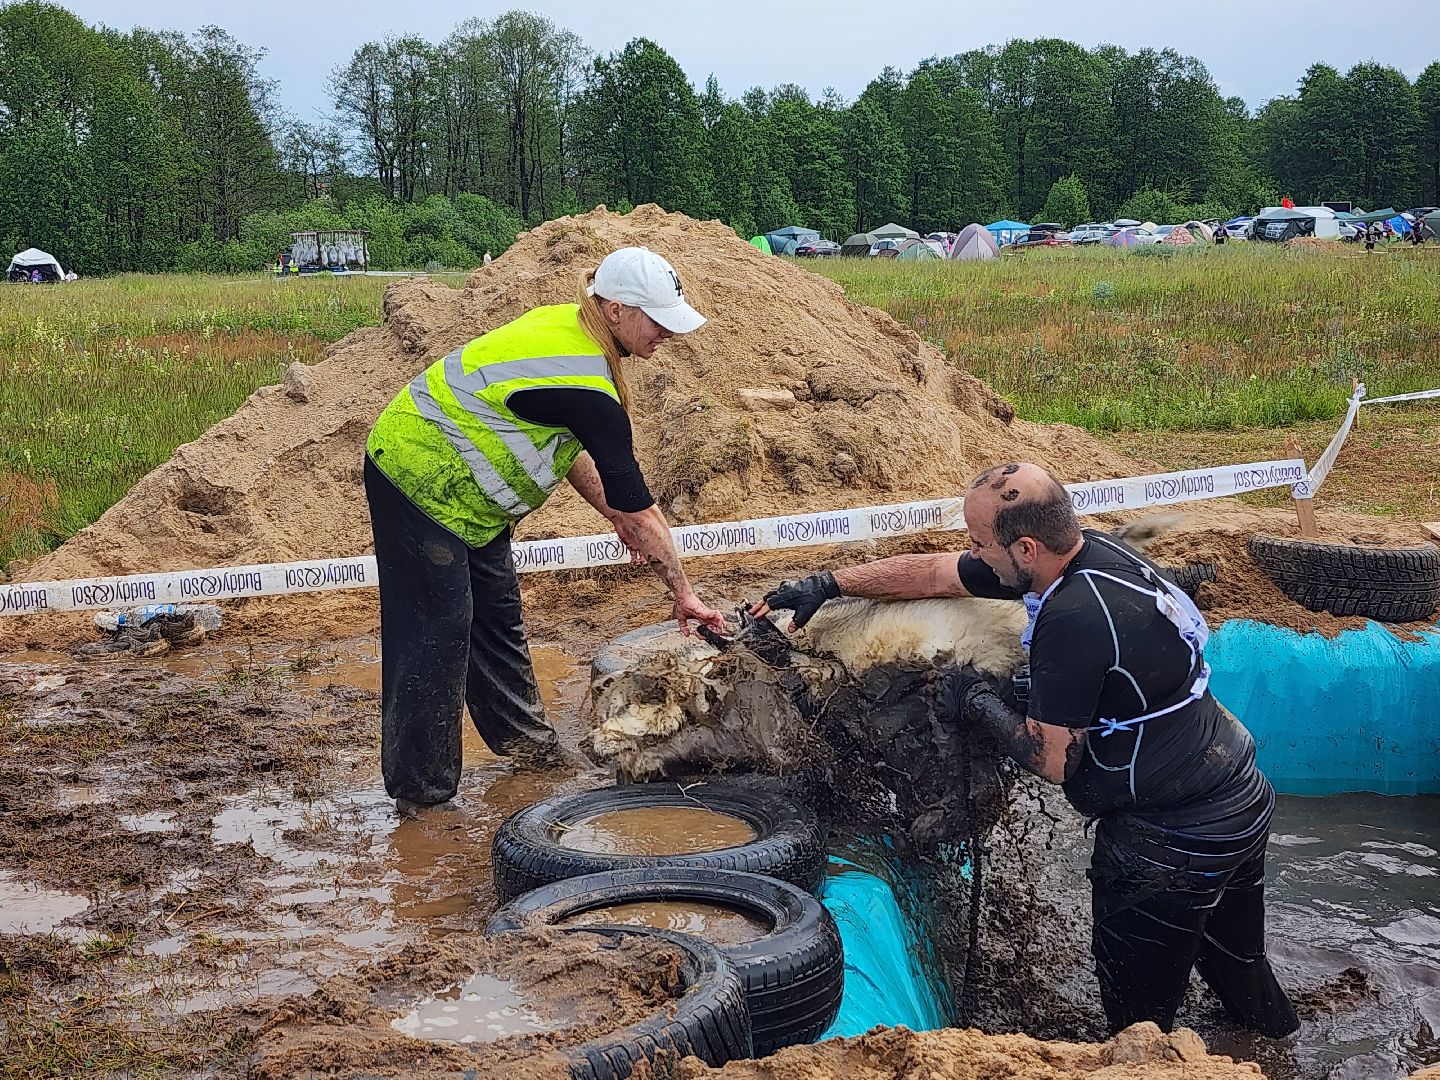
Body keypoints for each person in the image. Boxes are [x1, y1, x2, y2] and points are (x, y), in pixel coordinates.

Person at [753, 463, 1299, 1040]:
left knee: (1138, 1031)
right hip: (1237, 791)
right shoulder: (1096, 558)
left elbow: (1054, 760)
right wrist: (830, 584)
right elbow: (936, 574)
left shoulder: (1073, 619)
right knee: (1239, 967)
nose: (972, 552)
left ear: (1026, 547)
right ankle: (1284, 1053)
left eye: (980, 542)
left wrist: (979, 703)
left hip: (1165, 842)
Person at [365, 246, 726, 810]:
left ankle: (526, 749)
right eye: (657, 321)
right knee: (437, 631)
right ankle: (423, 797)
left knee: (496, 615)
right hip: (416, 479)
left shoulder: (572, 329)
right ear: (613, 310)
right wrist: (684, 594)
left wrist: (612, 516)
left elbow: (566, 447)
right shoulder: (586, 382)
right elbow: (641, 508)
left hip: (472, 498)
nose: (667, 336)